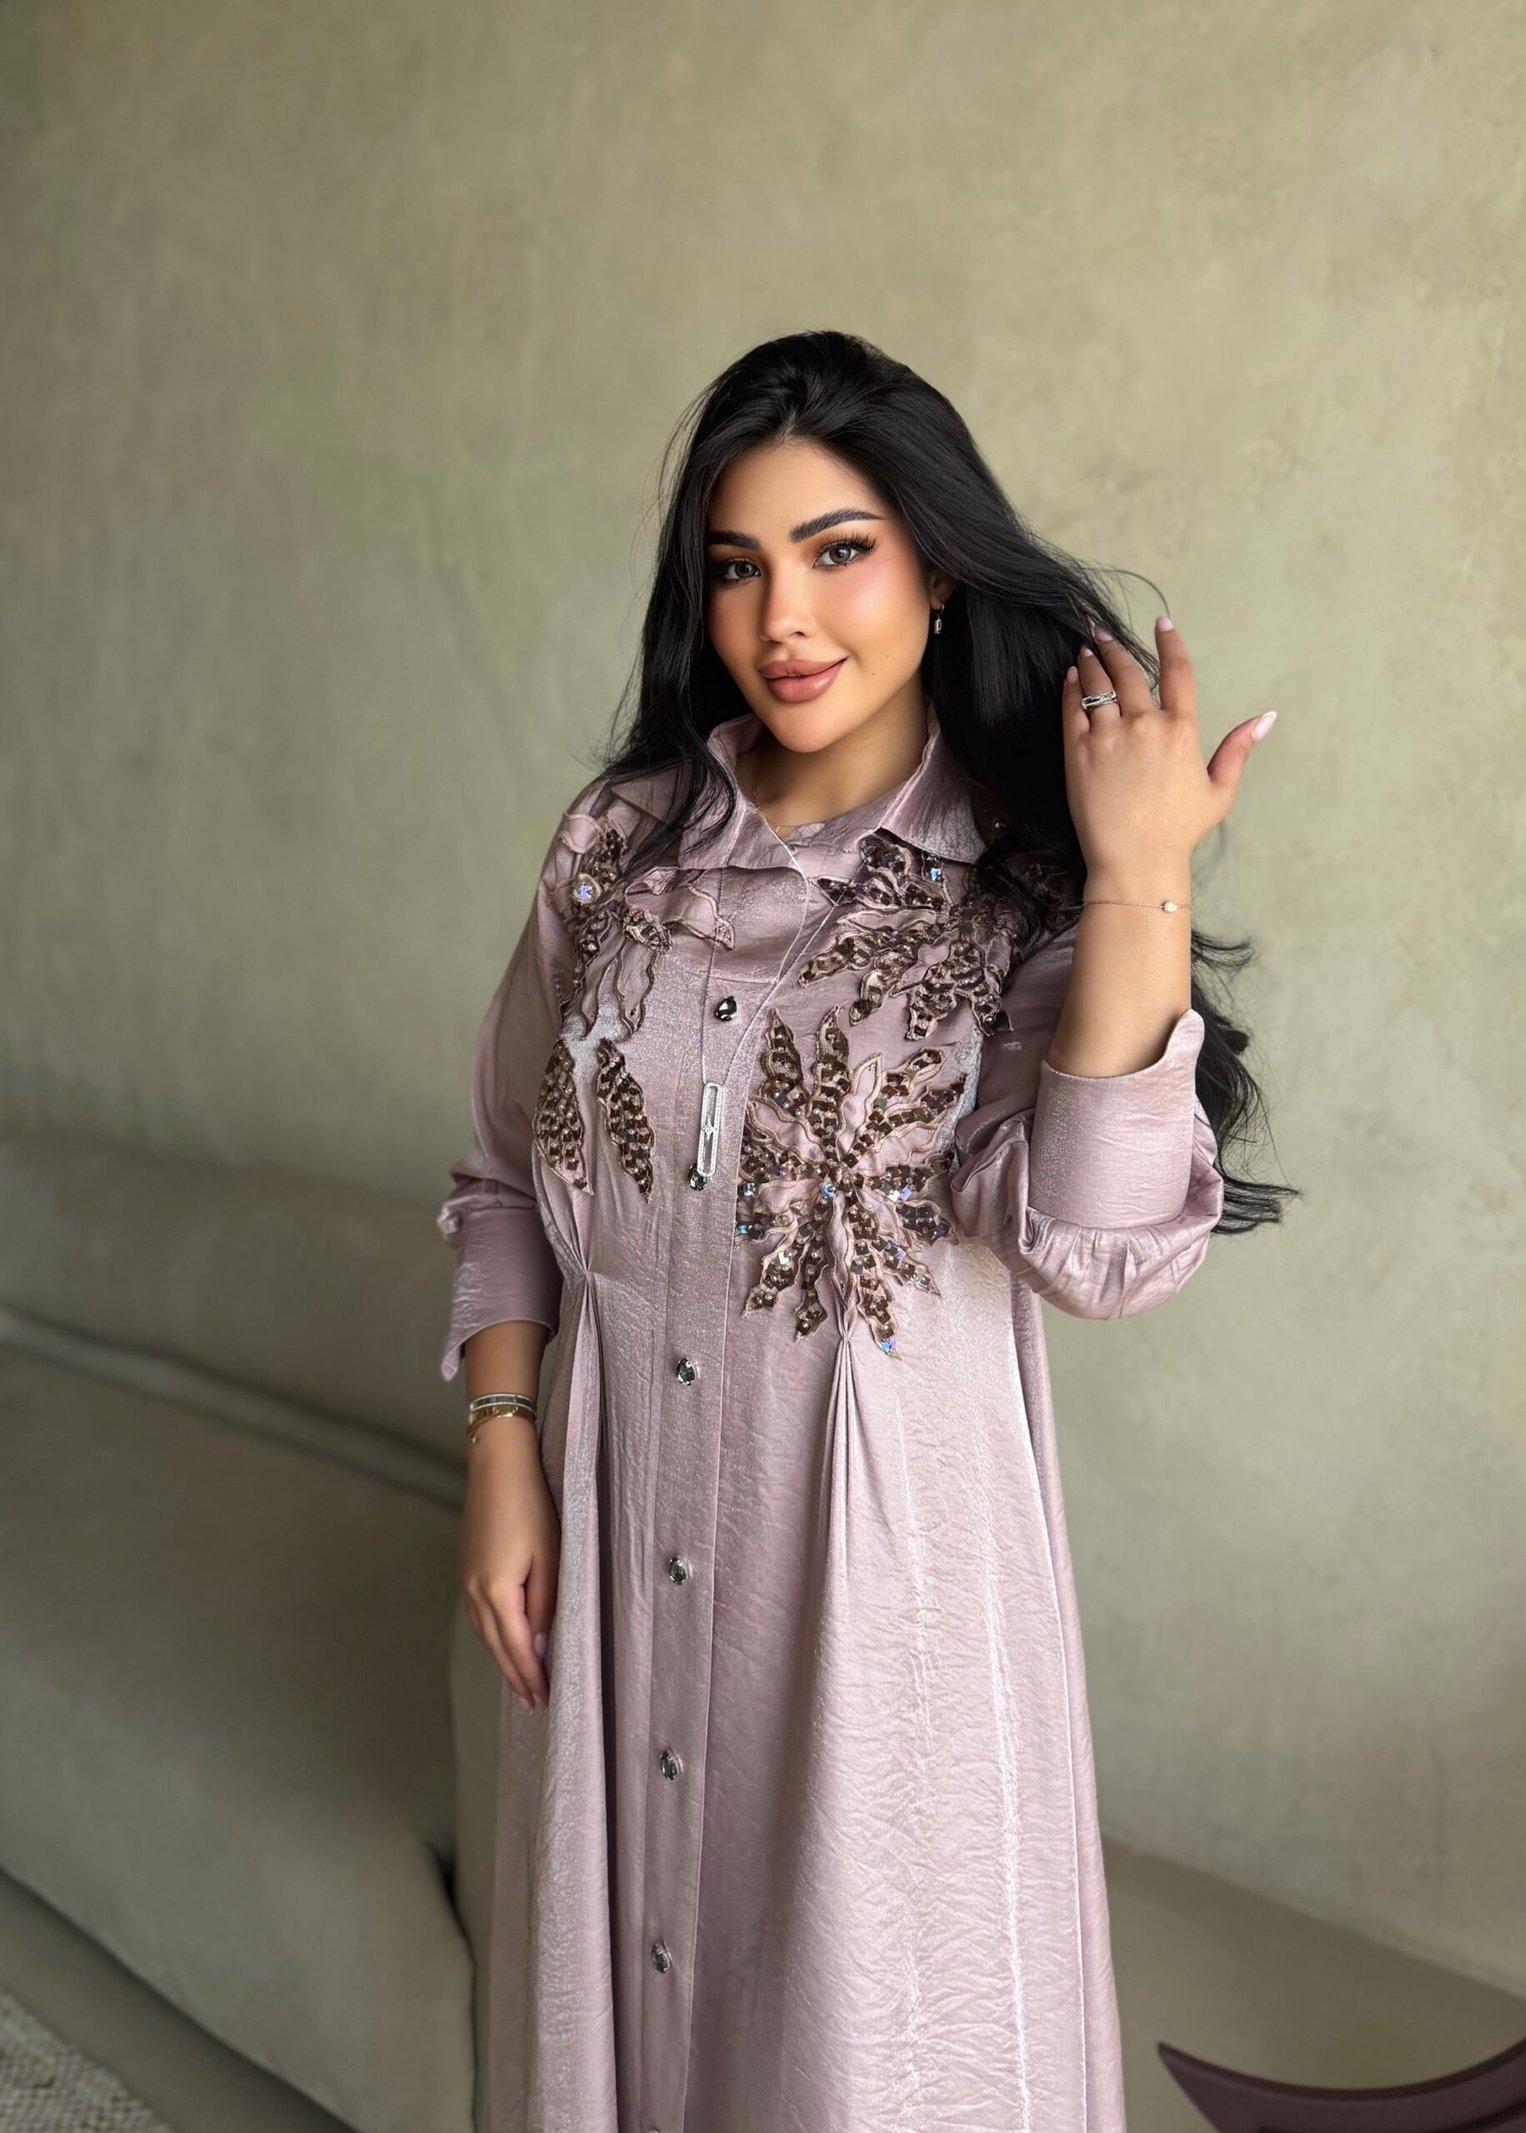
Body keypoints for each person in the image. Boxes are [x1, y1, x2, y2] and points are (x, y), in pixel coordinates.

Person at [435, 328, 1293, 2133]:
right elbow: (507, 1166)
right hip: (607, 1543)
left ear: (937, 565)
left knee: (866, 2057)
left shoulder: (1025, 888)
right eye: (738, 565)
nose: (785, 618)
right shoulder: (618, 848)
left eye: (839, 551)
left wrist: (1141, 875)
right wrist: (505, 1441)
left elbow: (1095, 1241)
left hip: (876, 1603)